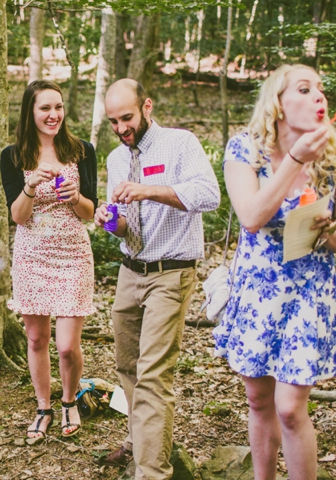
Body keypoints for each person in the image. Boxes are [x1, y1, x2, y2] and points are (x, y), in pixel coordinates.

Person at [213, 64, 336, 480]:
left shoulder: (332, 158)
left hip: (312, 289)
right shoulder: (246, 148)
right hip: (260, 288)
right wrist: (296, 159)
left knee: (290, 406)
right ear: (278, 105)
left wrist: (332, 232)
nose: (319, 96)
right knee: (260, 401)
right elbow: (250, 215)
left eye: (321, 89)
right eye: (305, 89)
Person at [94, 78, 219, 479]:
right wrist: (109, 221)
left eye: (126, 118)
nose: (121, 128)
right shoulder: (116, 159)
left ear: (146, 107)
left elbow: (208, 195)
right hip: (130, 272)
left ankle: (152, 471)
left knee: (152, 375)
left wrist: (148, 190)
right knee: (127, 365)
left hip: (171, 272)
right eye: (113, 121)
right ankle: (138, 441)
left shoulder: (180, 144)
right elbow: (126, 224)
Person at [0, 80, 98, 441]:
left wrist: (76, 197)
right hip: (32, 254)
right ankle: (43, 406)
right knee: (37, 338)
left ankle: (69, 400)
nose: (53, 114)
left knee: (68, 345)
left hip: (73, 253)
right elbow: (18, 217)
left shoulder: (81, 150)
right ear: (30, 111)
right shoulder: (14, 156)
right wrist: (29, 187)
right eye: (45, 108)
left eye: (58, 107)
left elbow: (90, 213)